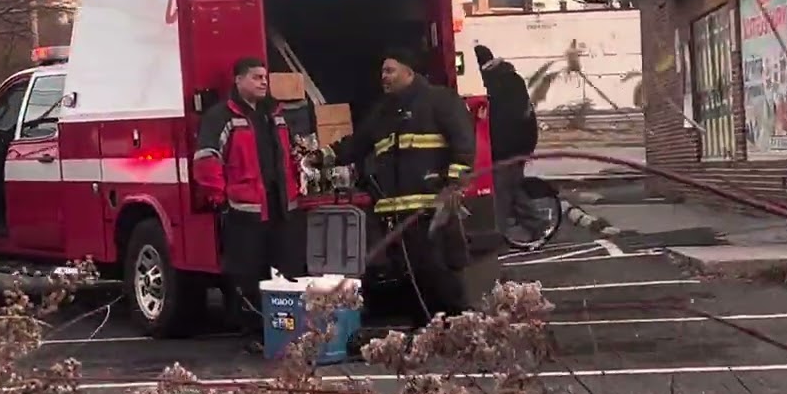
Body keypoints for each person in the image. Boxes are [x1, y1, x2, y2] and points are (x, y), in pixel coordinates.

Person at [307, 48, 474, 328]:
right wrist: (320, 157)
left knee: (438, 269)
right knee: (409, 274)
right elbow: (357, 144)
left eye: (390, 70)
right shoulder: (383, 112)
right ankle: (426, 326)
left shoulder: (439, 101)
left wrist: (453, 185)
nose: (383, 77)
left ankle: (461, 325)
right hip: (395, 212)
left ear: (409, 72)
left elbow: (463, 145)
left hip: (430, 207)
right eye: (383, 71)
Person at [192, 56, 306, 352]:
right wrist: (219, 197)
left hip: (282, 207)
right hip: (245, 211)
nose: (263, 82)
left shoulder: (276, 114)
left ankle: (284, 332)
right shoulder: (222, 116)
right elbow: (207, 158)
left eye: (264, 77)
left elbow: (293, 153)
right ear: (238, 80)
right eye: (256, 77)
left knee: (286, 271)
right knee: (247, 273)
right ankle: (253, 333)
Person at [473, 45, 543, 240]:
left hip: (510, 146)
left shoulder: (497, 82)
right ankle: (536, 224)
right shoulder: (507, 79)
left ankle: (498, 235)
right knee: (511, 187)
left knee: (501, 190)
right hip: (517, 143)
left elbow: (505, 119)